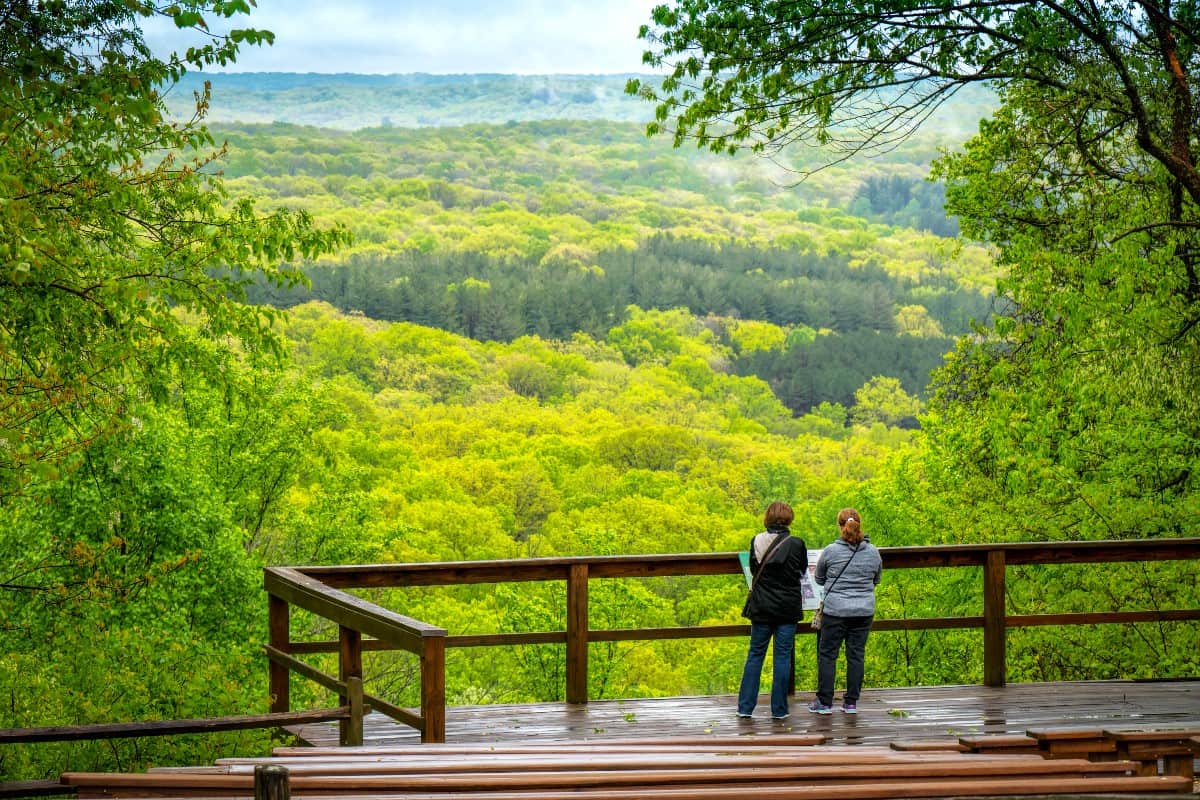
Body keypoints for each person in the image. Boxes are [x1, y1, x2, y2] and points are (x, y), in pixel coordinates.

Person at [736, 501, 808, 720]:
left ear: (767, 518)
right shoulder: (796, 543)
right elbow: (803, 570)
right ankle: (779, 709)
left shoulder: (756, 540)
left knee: (755, 655)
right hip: (787, 607)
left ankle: (745, 707)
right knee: (782, 657)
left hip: (762, 607)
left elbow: (755, 569)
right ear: (789, 519)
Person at [808, 507, 882, 714]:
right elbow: (876, 579)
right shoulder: (873, 552)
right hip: (864, 611)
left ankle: (824, 702)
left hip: (835, 611)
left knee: (828, 655)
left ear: (841, 526)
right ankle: (851, 703)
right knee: (856, 655)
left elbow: (819, 579)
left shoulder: (831, 551)